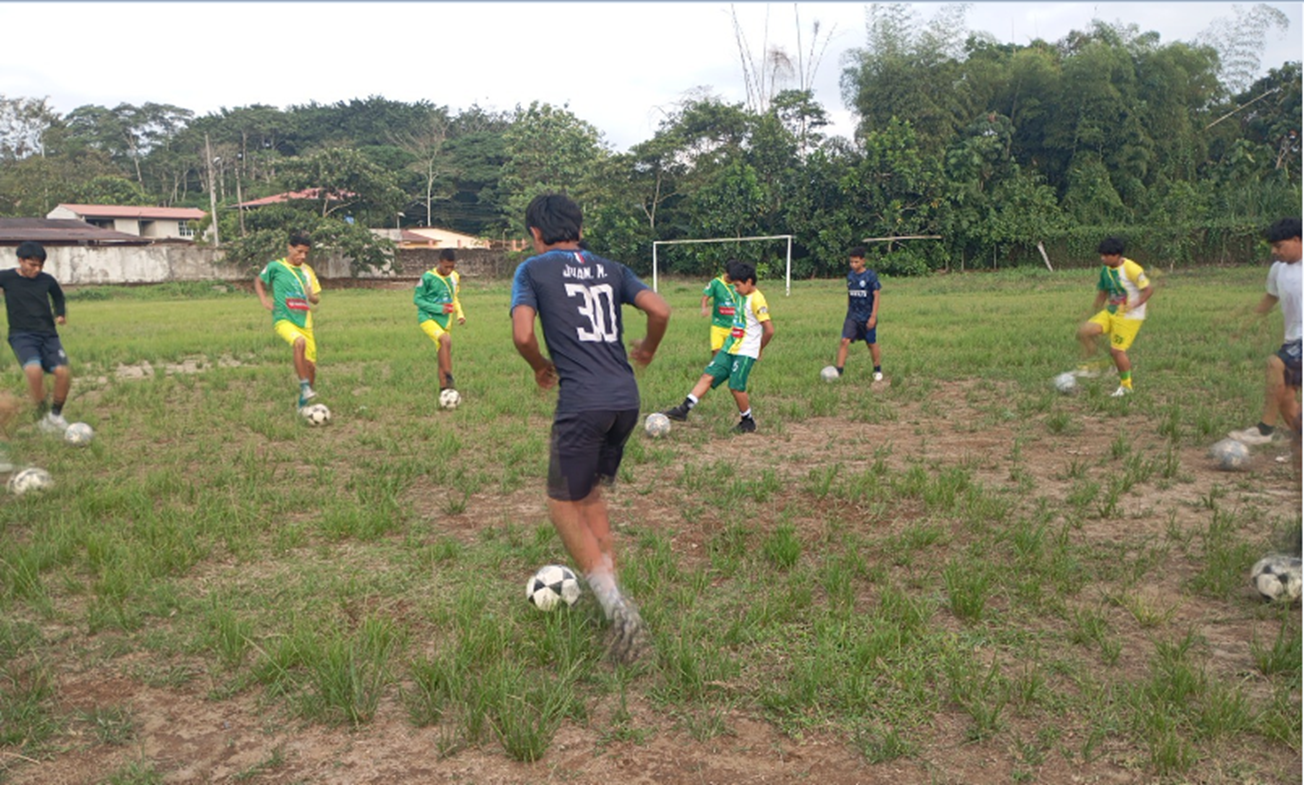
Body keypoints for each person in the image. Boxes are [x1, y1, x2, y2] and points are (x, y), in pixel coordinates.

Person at [510, 193, 670, 665]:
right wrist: (648, 349)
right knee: (590, 494)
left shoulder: (531, 270)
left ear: (536, 234)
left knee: (562, 503)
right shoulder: (612, 268)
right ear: (580, 230)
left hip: (583, 401)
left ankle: (615, 607)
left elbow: (523, 334)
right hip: (625, 399)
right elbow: (660, 311)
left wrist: (539, 366)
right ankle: (613, 592)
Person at [662, 259, 774, 433]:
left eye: (737, 285)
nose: (735, 289)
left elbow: (769, 330)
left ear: (749, 282)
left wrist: (759, 349)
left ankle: (748, 421)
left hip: (745, 351)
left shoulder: (757, 300)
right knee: (708, 375)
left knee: (736, 387)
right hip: (730, 346)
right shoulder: (741, 294)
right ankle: (683, 410)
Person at [1228, 217, 1302, 447]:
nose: (1274, 251)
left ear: (1297, 240)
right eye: (1273, 247)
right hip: (1293, 340)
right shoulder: (1278, 269)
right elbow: (1271, 297)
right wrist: (1245, 323)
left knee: (1275, 364)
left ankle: (1265, 430)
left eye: (1279, 246)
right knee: (1285, 398)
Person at [0, 241, 73, 434]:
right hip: (21, 335)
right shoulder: (6, 277)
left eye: (40, 265)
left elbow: (58, 296)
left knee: (63, 372)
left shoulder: (47, 280)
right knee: (34, 370)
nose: (37, 269)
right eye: (32, 265)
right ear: (21, 260)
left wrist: (60, 314)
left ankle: (55, 415)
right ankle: (41, 416)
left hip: (48, 335)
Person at [1076, 237, 1153, 397]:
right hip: (1111, 311)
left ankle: (1126, 386)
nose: (1102, 258)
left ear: (1117, 255)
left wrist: (1135, 304)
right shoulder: (1106, 270)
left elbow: (1148, 289)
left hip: (1129, 316)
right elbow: (1103, 293)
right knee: (1084, 332)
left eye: (1106, 255)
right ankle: (1098, 363)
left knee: (1117, 351)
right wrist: (1092, 311)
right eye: (1101, 255)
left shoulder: (1131, 269)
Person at [254, 232, 322, 409]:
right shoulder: (276, 267)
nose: (303, 256)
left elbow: (316, 299)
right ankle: (304, 386)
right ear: (289, 248)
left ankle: (304, 403)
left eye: (306, 253)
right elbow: (258, 281)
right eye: (299, 251)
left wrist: (310, 295)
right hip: (283, 318)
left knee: (311, 367)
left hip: (305, 322)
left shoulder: (307, 272)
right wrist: (264, 300)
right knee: (299, 343)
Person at [414, 248, 465, 392]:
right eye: (446, 266)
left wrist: (460, 314)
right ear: (440, 262)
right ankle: (449, 375)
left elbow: (454, 298)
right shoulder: (428, 277)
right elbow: (417, 300)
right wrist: (438, 309)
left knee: (442, 352)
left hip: (445, 321)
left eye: (452, 267)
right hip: (428, 318)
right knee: (445, 340)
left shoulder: (455, 277)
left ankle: (444, 389)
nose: (449, 270)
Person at [834, 245, 883, 381]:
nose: (853, 265)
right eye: (851, 262)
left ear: (863, 261)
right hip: (852, 316)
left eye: (856, 262)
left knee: (871, 343)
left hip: (867, 316)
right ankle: (839, 371)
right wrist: (849, 311)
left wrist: (873, 316)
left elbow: (876, 296)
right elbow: (849, 295)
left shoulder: (870, 276)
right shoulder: (850, 276)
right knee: (844, 341)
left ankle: (877, 369)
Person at [700, 265, 738, 358]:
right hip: (718, 324)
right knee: (716, 350)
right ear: (726, 273)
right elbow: (705, 297)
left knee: (732, 353)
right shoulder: (716, 283)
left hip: (734, 325)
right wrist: (704, 308)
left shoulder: (739, 284)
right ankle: (716, 365)